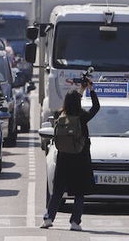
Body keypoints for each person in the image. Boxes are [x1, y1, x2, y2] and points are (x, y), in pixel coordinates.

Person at [41, 77, 100, 231]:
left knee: (58, 190)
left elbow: (71, 102)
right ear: (79, 102)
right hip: (80, 157)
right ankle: (75, 222)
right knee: (79, 192)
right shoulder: (82, 117)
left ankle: (48, 218)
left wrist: (80, 90)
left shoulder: (59, 115)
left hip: (63, 158)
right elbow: (96, 107)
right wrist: (90, 89)